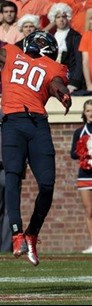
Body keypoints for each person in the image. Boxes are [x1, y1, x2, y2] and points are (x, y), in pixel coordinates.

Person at [0, 5, 72, 265]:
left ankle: (32, 233)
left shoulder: (53, 66)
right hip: (14, 121)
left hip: (38, 124)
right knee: (12, 176)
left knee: (48, 184)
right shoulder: (11, 54)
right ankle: (17, 233)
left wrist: (62, 92)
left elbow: (55, 82)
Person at [70, 99, 92, 254]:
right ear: (84, 113)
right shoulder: (80, 132)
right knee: (89, 210)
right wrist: (84, 152)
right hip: (85, 175)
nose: (91, 114)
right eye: (88, 110)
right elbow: (73, 153)